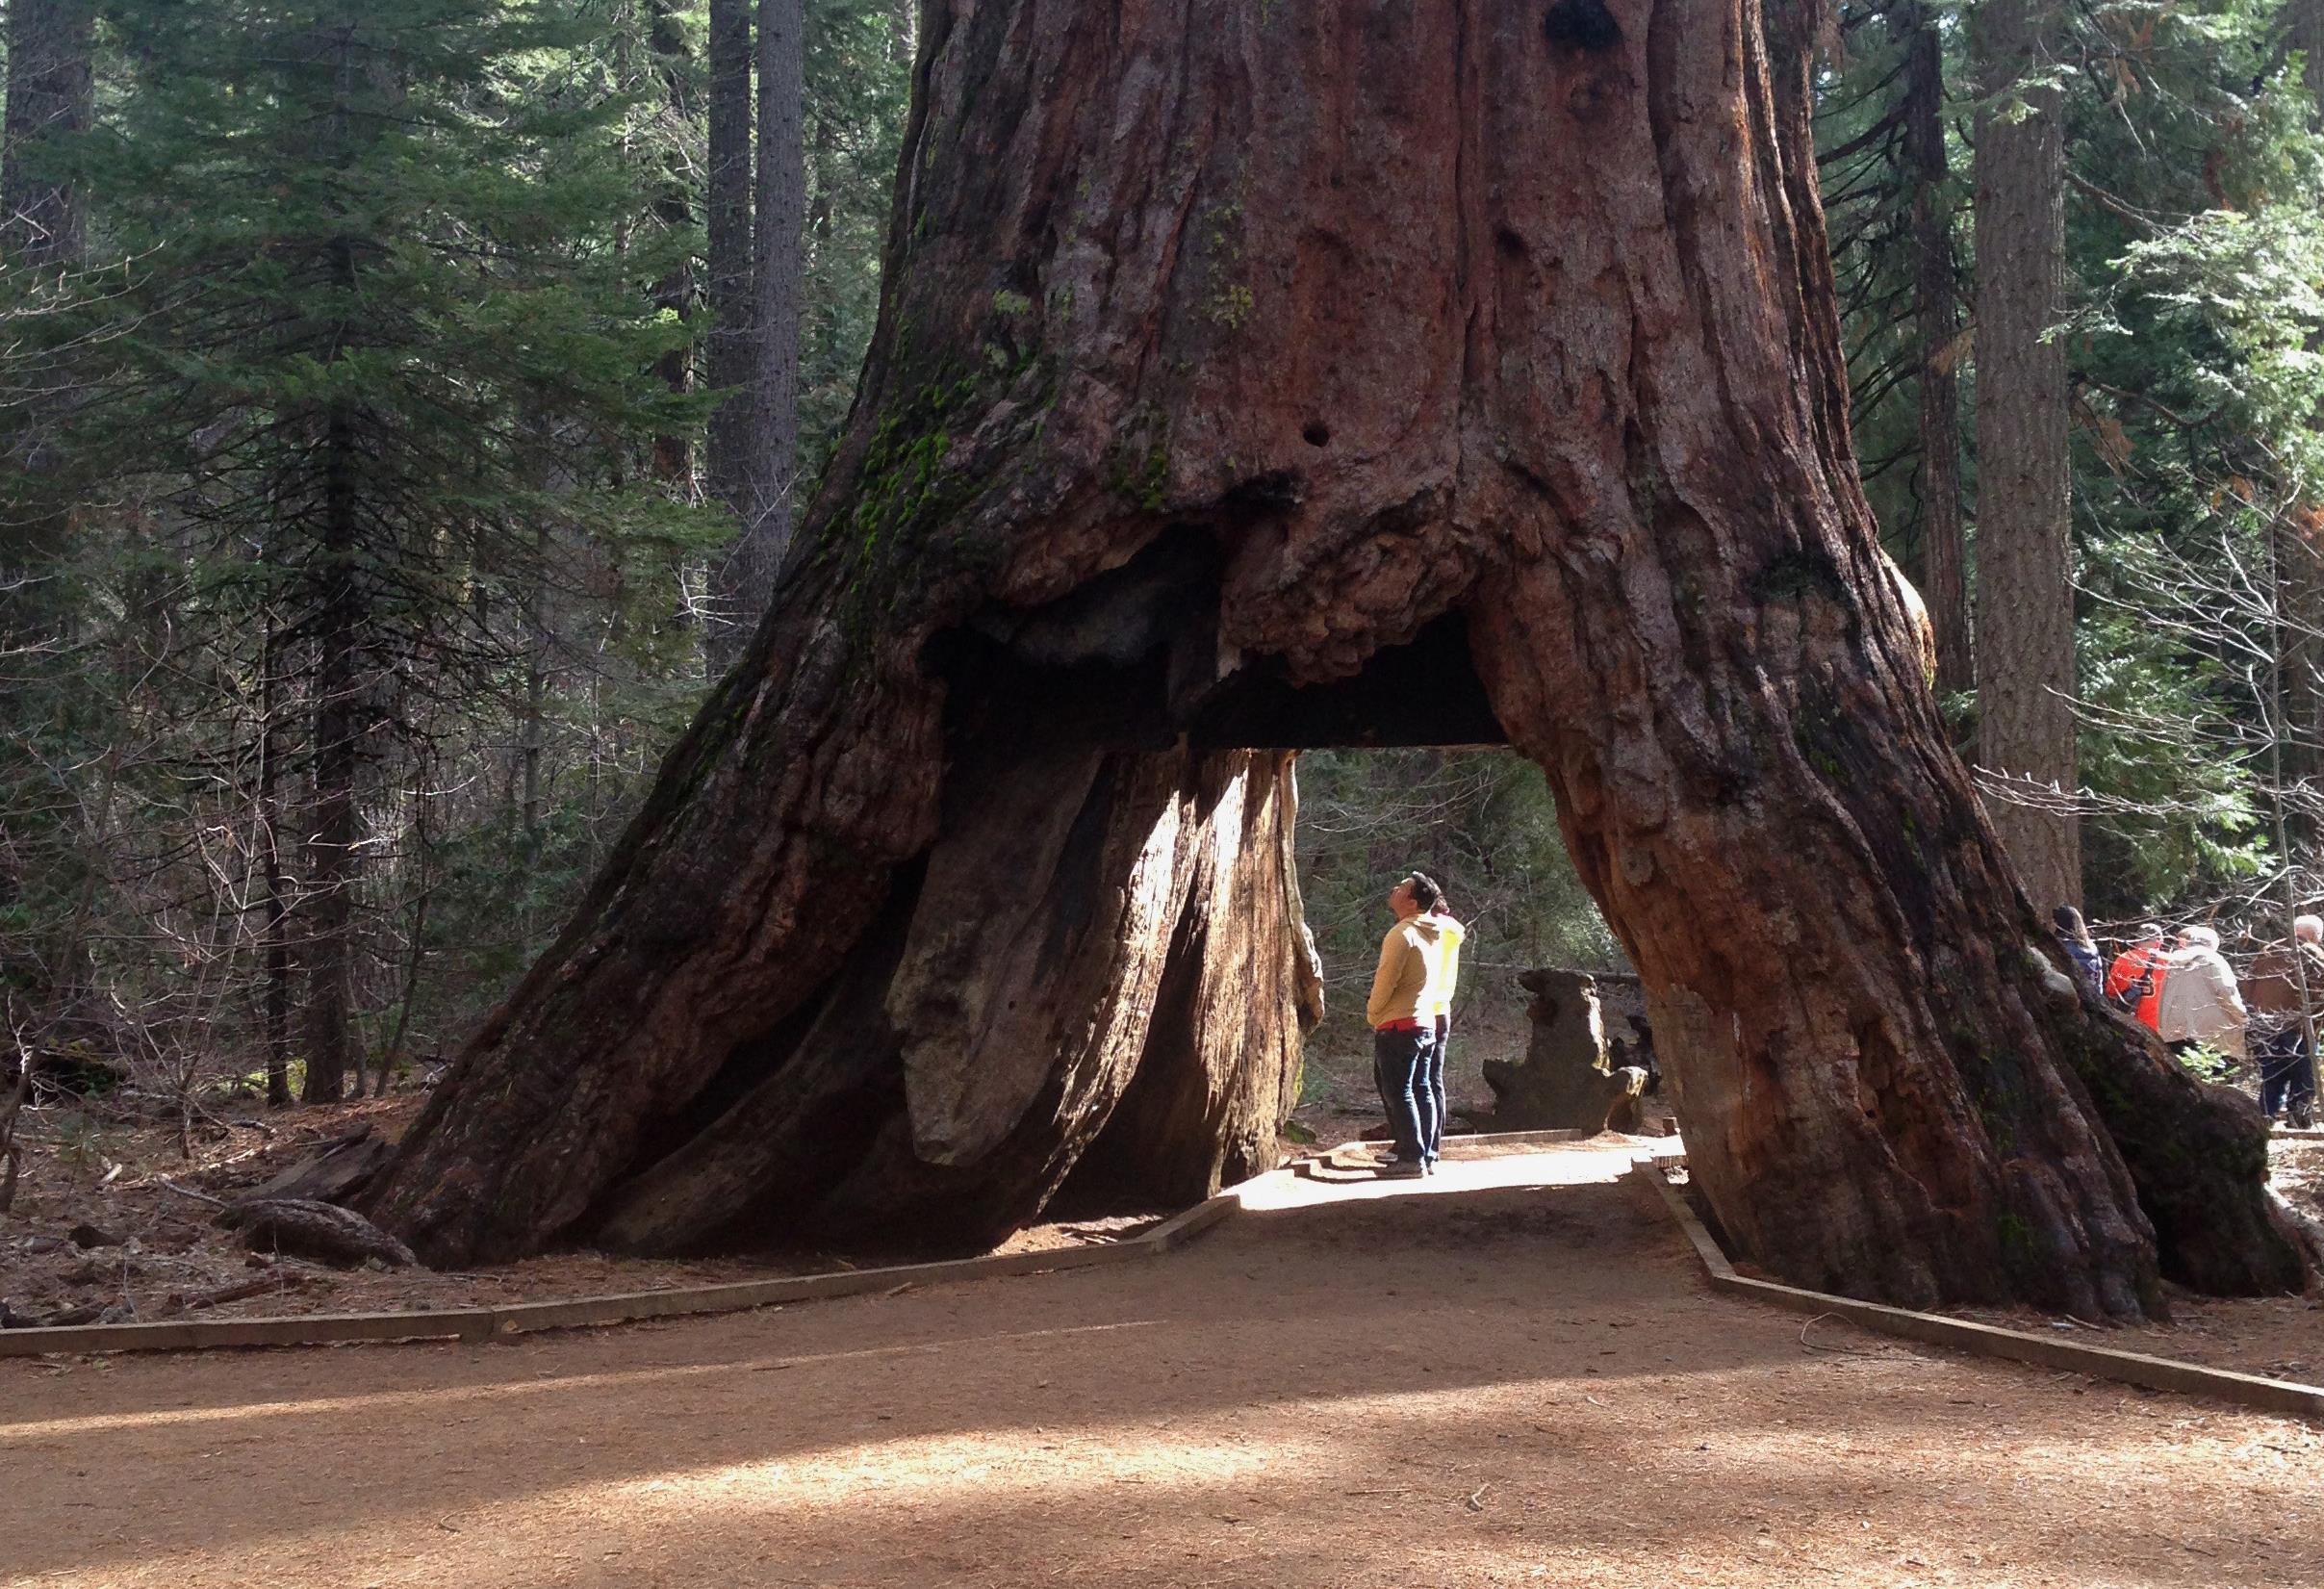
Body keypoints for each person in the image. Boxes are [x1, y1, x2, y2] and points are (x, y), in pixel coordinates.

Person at [1366, 872, 1446, 1178]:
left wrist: (1374, 1013)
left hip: (1400, 1024)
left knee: (1399, 1091)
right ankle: (1423, 1154)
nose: (1394, 888)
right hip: (1424, 1022)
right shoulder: (1428, 933)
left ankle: (1412, 1158)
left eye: (1401, 888)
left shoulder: (1402, 934)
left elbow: (1386, 980)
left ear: (1412, 902)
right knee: (1421, 1088)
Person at [2242, 914, 2322, 1127]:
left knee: (2271, 1075)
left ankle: (2265, 1117)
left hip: (2265, 1025)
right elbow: (2319, 993)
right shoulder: (2313, 955)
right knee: (2304, 1078)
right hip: (2298, 1027)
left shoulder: (2267, 951)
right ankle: (2298, 1118)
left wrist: (2252, 1018)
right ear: (2316, 936)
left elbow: (2248, 986)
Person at [1417, 893, 1466, 1170]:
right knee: (1431, 1080)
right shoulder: (1450, 930)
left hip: (1429, 1008)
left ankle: (1428, 1148)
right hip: (1440, 1008)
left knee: (1425, 1082)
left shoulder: (1434, 930)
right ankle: (1429, 1146)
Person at [2156, 925, 2247, 1062]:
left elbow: (2162, 998)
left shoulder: (2173, 963)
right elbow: (2226, 992)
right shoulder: (2214, 960)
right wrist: (2242, 1017)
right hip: (2212, 1034)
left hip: (2174, 1032)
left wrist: (2163, 1027)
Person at [2105, 923, 2171, 1034]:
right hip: (2158, 1027)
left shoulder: (2124, 958)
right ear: (2159, 941)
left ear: (2137, 940)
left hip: (2128, 1024)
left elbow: (2111, 992)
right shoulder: (2168, 962)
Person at [2052, 906, 2104, 1000]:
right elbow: (2098, 977)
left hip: (2069, 998)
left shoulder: (2058, 947)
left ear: (2059, 924)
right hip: (2092, 997)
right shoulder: (2092, 947)